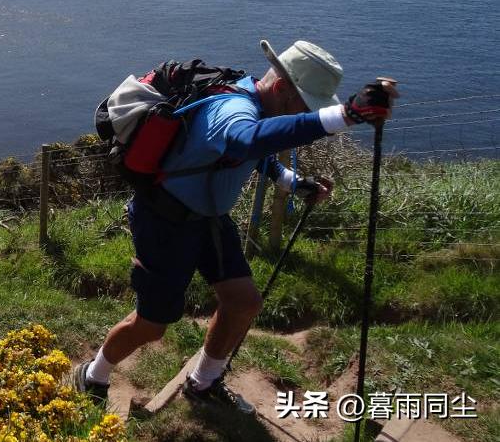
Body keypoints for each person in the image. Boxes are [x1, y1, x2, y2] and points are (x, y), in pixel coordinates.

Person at [74, 40, 398, 413]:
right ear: (280, 88)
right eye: (303, 105)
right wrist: (347, 114)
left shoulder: (255, 100)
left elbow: (246, 153)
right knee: (152, 324)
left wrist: (293, 182)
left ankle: (203, 383)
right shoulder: (233, 108)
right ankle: (93, 374)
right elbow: (246, 140)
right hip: (164, 222)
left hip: (209, 218)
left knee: (244, 303)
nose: (304, 114)